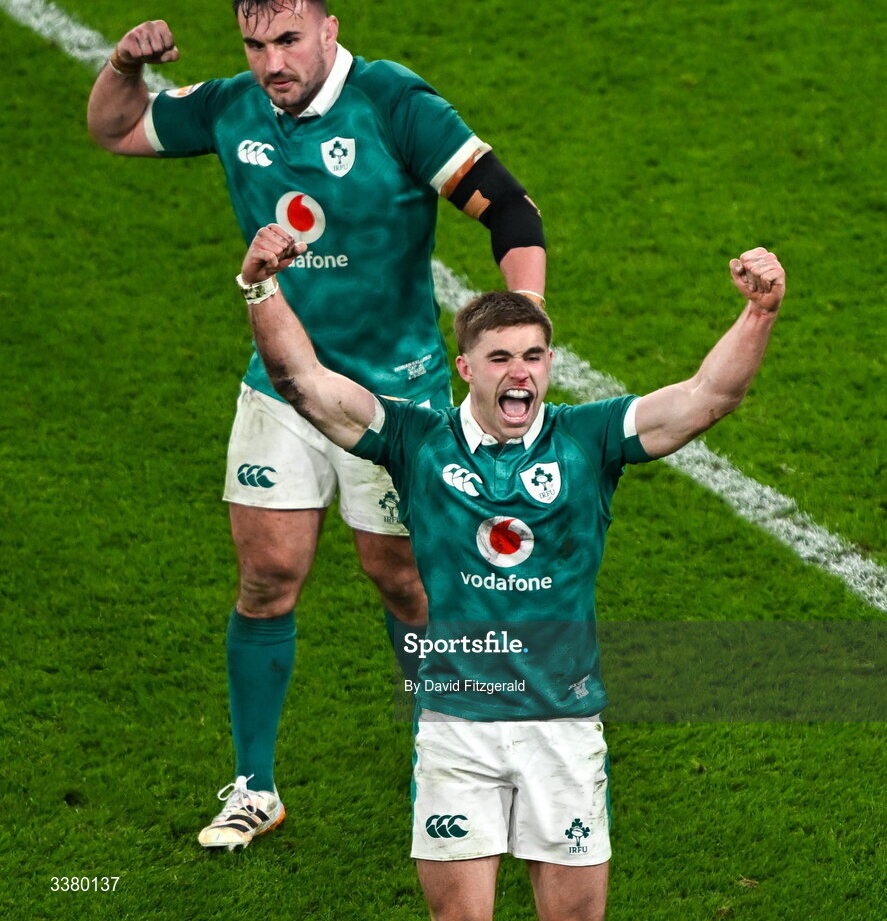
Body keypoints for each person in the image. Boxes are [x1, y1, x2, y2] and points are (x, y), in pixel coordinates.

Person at [86, 0, 547, 848]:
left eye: (289, 40)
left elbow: (513, 214)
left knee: (402, 578)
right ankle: (254, 786)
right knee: (266, 577)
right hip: (284, 384)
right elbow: (116, 131)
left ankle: (447, 755)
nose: (272, 62)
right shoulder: (231, 106)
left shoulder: (395, 105)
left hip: (394, 396)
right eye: (256, 44)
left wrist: (522, 328)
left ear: (329, 32)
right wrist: (122, 68)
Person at [235, 225, 784, 921]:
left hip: (563, 724)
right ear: (465, 368)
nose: (519, 372)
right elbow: (303, 383)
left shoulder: (590, 438)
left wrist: (759, 311)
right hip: (456, 727)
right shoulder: (415, 438)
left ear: (550, 361)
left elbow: (709, 396)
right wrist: (259, 285)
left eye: (532, 355)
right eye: (499, 358)